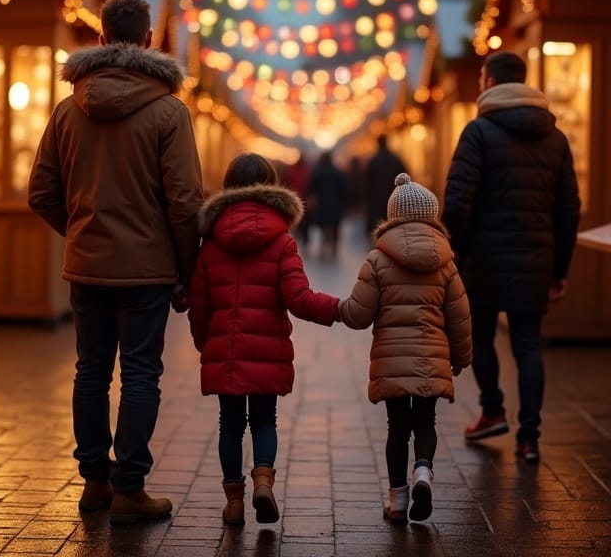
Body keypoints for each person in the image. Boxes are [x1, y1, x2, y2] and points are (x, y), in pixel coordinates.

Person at [27, 0, 204, 524]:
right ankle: (130, 489)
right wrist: (186, 269)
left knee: (91, 371)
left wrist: (82, 230)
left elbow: (41, 192)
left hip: (87, 265)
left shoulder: (67, 109)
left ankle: (94, 483)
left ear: (101, 38)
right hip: (147, 270)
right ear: (149, 40)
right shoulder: (169, 112)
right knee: (141, 375)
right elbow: (185, 201)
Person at [441, 50, 580, 464]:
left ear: (489, 82)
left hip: (482, 259)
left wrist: (452, 251)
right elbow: (568, 207)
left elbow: (458, 200)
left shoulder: (478, 132)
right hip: (535, 260)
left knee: (480, 336)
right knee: (527, 346)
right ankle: (529, 438)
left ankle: (492, 410)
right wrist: (560, 267)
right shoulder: (555, 138)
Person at [187, 153, 339, 526]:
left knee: (229, 425)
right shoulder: (281, 241)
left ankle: (234, 502)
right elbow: (299, 299)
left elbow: (199, 305)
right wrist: (340, 310)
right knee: (264, 421)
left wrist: (205, 343)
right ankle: (263, 481)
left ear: (227, 186)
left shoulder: (210, 243)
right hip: (267, 350)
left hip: (225, 351)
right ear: (271, 186)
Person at [338, 173, 471, 523]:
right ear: (432, 215)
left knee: (397, 430)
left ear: (392, 215)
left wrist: (335, 309)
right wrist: (461, 358)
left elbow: (359, 315)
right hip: (432, 359)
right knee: (425, 422)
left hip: (392, 361)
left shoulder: (377, 259)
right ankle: (423, 472)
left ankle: (397, 501)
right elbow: (460, 317)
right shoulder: (446, 262)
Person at [363, 134, 408, 238]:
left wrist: (366, 199)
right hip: (393, 196)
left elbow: (367, 183)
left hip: (376, 198)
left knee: (377, 222)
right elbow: (405, 176)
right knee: (391, 221)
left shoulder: (373, 161)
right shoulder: (395, 159)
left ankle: (380, 240)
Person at [307, 151, 348, 259]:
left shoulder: (317, 172)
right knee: (335, 226)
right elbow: (344, 189)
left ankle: (323, 247)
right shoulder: (338, 172)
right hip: (336, 204)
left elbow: (311, 189)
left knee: (323, 226)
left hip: (321, 204)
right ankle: (334, 248)